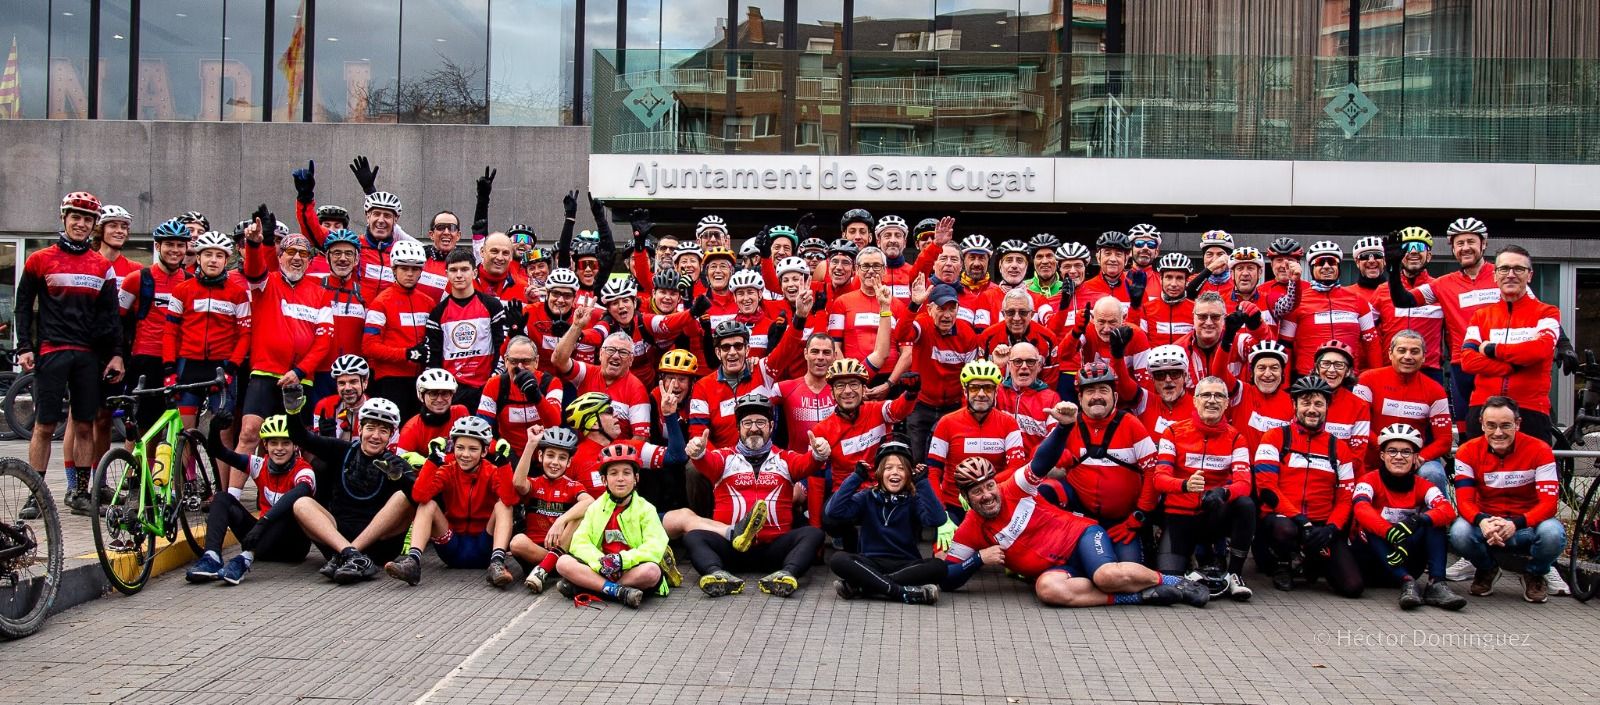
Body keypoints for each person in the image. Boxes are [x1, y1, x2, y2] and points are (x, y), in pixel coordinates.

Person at [943, 455, 1209, 608]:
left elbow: (1044, 459)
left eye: (989, 486)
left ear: (996, 483)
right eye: (977, 492)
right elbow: (950, 578)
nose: (987, 495)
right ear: (966, 497)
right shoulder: (970, 528)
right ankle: (1138, 596)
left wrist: (1063, 426)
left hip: (1081, 537)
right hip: (1057, 569)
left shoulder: (1014, 487)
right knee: (1047, 590)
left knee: (1105, 575)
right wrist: (978, 559)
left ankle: (1177, 582)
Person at [14, 191, 125, 519]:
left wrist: (116, 355)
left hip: (88, 356)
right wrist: (24, 347)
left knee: (84, 425)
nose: (80, 223)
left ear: (94, 226)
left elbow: (110, 318)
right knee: (44, 426)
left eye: (87, 219)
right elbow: (23, 307)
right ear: (64, 218)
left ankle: (79, 492)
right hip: (51, 351)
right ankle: (35, 494)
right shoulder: (40, 259)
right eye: (75, 217)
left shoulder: (101, 266)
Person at [682, 394, 829, 597]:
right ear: (738, 428)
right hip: (732, 548)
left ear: (770, 426)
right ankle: (716, 575)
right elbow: (705, 462)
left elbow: (808, 463)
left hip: (773, 549)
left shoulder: (784, 458)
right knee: (693, 536)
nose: (753, 428)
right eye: (747, 422)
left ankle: (786, 575)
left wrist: (819, 453)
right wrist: (697, 452)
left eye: (760, 422)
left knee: (814, 534)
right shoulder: (725, 458)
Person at [1028, 361, 1158, 563]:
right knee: (1046, 488)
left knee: (1128, 574)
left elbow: (1152, 472)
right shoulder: (1072, 425)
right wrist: (1061, 432)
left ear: (1115, 397)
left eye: (1103, 390)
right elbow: (1039, 460)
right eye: (1090, 391)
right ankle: (1049, 544)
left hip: (1124, 521)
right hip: (1083, 518)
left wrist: (1138, 517)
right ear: (1080, 398)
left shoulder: (1132, 424)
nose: (1096, 396)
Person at [237, 212, 334, 481]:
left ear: (310, 261)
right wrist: (255, 245)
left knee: (299, 442)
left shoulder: (320, 293)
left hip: (301, 378)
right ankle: (231, 498)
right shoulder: (266, 283)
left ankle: (292, 494)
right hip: (266, 372)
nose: (296, 258)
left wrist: (301, 371)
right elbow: (254, 269)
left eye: (303, 254)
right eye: (290, 252)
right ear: (279, 257)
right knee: (249, 432)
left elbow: (323, 340)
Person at [285, 397, 415, 584]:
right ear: (360, 430)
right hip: (338, 540)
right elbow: (302, 438)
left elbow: (422, 499)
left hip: (379, 545)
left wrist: (402, 478)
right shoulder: (341, 449)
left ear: (391, 435)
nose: (376, 436)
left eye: (383, 431)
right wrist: (292, 412)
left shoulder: (397, 464)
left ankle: (351, 555)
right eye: (370, 428)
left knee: (404, 496)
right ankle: (353, 556)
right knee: (301, 504)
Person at [1253, 375, 1361, 597]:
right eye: (1305, 402)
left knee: (1352, 586)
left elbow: (1345, 498)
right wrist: (1301, 520)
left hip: (1322, 525)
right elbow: (1267, 489)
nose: (1312, 409)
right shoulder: (1274, 437)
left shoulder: (1339, 448)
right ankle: (1283, 562)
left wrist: (1331, 528)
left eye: (1318, 403)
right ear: (1294, 405)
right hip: (1285, 522)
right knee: (1285, 528)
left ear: (1327, 407)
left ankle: (1311, 560)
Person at [1450, 396, 1563, 603]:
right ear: (1482, 424)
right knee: (1459, 532)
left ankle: (1534, 573)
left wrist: (1516, 523)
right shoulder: (1467, 451)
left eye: (1505, 425)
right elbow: (1464, 501)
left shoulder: (1540, 450)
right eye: (1491, 425)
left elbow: (1549, 504)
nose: (1498, 433)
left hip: (1527, 523)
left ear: (1517, 424)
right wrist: (1482, 521)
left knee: (1553, 533)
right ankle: (1487, 569)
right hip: (1488, 523)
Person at [1152, 376, 1255, 600]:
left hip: (1213, 514)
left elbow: (1245, 483)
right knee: (1169, 578)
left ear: (1227, 403)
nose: (1212, 401)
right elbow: (1159, 479)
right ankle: (1200, 562)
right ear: (1195, 401)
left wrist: (1223, 491)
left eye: (1219, 396)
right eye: (1206, 395)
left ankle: (1235, 574)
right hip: (1180, 516)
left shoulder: (1236, 437)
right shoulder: (1173, 432)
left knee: (1245, 505)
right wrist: (1185, 485)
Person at [186, 416, 315, 586]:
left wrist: (262, 524)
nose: (279, 449)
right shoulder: (260, 464)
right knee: (222, 498)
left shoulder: (304, 470)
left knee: (291, 504)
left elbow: (299, 493)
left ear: (295, 446)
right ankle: (212, 557)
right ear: (265, 446)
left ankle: (244, 559)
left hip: (292, 547)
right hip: (260, 541)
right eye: (274, 443)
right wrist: (214, 430)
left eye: (285, 443)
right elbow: (220, 453)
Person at [384, 416, 514, 586]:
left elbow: (510, 499)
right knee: (427, 504)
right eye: (460, 448)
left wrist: (504, 463)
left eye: (473, 449)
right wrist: (432, 460)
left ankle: (497, 563)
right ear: (453, 448)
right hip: (452, 546)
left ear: (484, 452)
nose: (465, 454)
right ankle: (412, 563)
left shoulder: (492, 471)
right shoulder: (448, 470)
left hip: (485, 547)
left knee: (504, 506)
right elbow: (419, 496)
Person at [164, 231, 252, 478]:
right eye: (208, 255)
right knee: (186, 432)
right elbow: (170, 333)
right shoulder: (182, 290)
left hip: (222, 367)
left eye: (219, 256)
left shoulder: (237, 294)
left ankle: (221, 492)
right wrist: (169, 369)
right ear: (199, 258)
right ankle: (187, 485)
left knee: (223, 434)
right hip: (188, 365)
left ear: (227, 260)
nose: (213, 260)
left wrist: (232, 368)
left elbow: (245, 335)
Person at [1351, 424, 1466, 610]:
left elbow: (1447, 510)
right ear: (1382, 456)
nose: (1398, 457)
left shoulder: (1424, 485)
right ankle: (1405, 580)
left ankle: (1436, 583)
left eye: (1406, 452)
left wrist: (1418, 520)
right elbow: (1361, 508)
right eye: (1392, 451)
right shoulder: (1368, 480)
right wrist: (1391, 533)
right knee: (1369, 524)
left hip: (1408, 558)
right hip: (1372, 562)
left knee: (1434, 522)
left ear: (1415, 458)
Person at [1459, 245, 1559, 443]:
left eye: (1518, 269)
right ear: (1495, 275)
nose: (1510, 275)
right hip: (1483, 407)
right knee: (1482, 472)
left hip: (1530, 409)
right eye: (1504, 269)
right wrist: (1510, 366)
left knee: (1531, 471)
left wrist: (1490, 349)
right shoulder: (1481, 316)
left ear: (1529, 275)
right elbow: (1468, 360)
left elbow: (1539, 351)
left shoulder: (1547, 312)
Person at [824, 442, 946, 604]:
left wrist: (922, 483)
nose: (895, 472)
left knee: (939, 566)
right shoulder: (867, 496)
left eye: (901, 468)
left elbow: (938, 519)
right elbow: (833, 511)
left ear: (909, 474)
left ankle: (864, 586)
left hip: (906, 565)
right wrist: (856, 477)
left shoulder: (914, 499)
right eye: (888, 468)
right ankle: (900, 592)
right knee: (838, 560)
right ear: (880, 473)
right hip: (870, 563)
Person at [553, 443, 671, 608]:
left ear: (636, 478)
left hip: (632, 569)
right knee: (563, 562)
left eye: (627, 473)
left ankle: (593, 587)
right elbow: (579, 542)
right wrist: (600, 563)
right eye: (614, 473)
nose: (621, 478)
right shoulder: (595, 507)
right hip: (601, 568)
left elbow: (655, 547)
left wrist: (621, 561)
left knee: (652, 571)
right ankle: (619, 592)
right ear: (604, 480)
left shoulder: (647, 509)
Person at [808, 358, 918, 535]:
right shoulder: (821, 430)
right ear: (832, 392)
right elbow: (816, 481)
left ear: (863, 389)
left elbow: (899, 409)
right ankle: (848, 539)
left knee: (914, 516)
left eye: (853, 384)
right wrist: (815, 531)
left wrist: (911, 393)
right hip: (848, 494)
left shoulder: (878, 410)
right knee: (830, 520)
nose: (848, 391)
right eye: (840, 386)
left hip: (883, 488)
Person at [1403, 217, 1497, 421]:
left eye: (1471, 241)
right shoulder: (1443, 284)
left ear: (1484, 243)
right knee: (1466, 430)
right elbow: (1405, 300)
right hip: (1461, 364)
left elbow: (1536, 310)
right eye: (1460, 243)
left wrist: (1562, 343)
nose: (1465, 248)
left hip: (1497, 362)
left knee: (1498, 428)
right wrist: (1393, 269)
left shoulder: (1502, 274)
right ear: (1453, 249)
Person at [687, 295, 810, 448]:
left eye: (738, 346)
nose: (732, 352)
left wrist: (800, 316)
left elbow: (787, 347)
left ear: (747, 350)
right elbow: (699, 435)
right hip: (723, 463)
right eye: (726, 347)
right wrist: (721, 465)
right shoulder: (702, 387)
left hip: (763, 459)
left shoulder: (762, 371)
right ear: (718, 353)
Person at [117, 218, 192, 444]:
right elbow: (117, 320)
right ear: (158, 246)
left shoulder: (191, 281)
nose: (175, 250)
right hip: (145, 358)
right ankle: (133, 477)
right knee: (141, 426)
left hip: (178, 360)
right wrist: (118, 355)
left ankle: (157, 478)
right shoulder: (137, 279)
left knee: (168, 426)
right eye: (169, 244)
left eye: (180, 245)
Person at [493, 427, 592, 593]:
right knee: (517, 542)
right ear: (540, 456)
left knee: (579, 516)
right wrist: (531, 443)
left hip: (561, 547)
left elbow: (590, 502)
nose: (555, 462)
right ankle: (556, 566)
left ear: (568, 462)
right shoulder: (535, 483)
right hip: (534, 553)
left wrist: (561, 521)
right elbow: (518, 483)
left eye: (562, 458)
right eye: (550, 455)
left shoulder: (573, 486)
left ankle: (546, 569)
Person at [893, 283, 983, 465]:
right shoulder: (922, 324)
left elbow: (971, 378)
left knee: (949, 460)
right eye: (941, 309)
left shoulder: (967, 334)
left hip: (953, 408)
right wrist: (913, 305)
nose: (947, 315)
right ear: (930, 309)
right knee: (917, 460)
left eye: (952, 308)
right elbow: (901, 334)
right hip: (921, 406)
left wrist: (967, 412)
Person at [927, 361, 1027, 523]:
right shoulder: (946, 423)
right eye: (974, 388)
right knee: (942, 550)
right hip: (954, 504)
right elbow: (933, 472)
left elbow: (1015, 468)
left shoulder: (1009, 423)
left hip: (993, 502)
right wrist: (941, 513)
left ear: (996, 392)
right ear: (965, 391)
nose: (981, 393)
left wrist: (978, 487)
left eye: (988, 388)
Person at [1355, 331, 1452, 492]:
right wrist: (1387, 452)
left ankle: (1438, 515)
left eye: (1414, 351)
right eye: (1402, 350)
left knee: (1433, 473)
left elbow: (1445, 440)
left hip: (1413, 459)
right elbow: (1358, 425)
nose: (1408, 356)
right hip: (1373, 457)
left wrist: (1417, 457)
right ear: (1390, 353)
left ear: (1424, 357)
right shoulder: (1367, 380)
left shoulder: (1436, 390)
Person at [1277, 241, 1382, 376]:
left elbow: (1371, 343)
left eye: (1331, 262)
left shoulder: (1358, 300)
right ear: (1311, 268)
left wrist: (1376, 378)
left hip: (1347, 377)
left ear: (1338, 267)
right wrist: (1285, 385)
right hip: (1309, 378)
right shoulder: (1297, 302)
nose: (1326, 267)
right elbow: (1286, 346)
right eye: (1320, 262)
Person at [423, 248, 509, 409]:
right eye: (453, 270)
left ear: (475, 272)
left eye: (464, 269)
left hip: (486, 387)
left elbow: (501, 346)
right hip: (453, 391)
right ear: (447, 274)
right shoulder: (438, 312)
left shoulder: (492, 305)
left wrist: (493, 379)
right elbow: (433, 356)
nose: (459, 275)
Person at [552, 307, 652, 438]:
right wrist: (576, 327)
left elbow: (641, 438)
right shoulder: (587, 373)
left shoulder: (637, 389)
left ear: (631, 360)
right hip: (584, 450)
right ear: (600, 354)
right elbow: (558, 360)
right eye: (610, 350)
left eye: (623, 352)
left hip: (615, 456)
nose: (616, 356)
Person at [362, 240, 435, 419]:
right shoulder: (380, 302)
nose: (410, 274)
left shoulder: (428, 302)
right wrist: (406, 354)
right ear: (394, 270)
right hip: (390, 380)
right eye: (404, 268)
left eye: (415, 269)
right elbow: (369, 347)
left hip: (420, 381)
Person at [1376, 227, 1446, 383]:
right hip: (1390, 367)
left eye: (1420, 247)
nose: (1413, 251)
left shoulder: (1440, 288)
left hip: (1429, 369)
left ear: (1429, 256)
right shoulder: (1381, 291)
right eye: (1407, 247)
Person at [476, 336, 563, 456]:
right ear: (506, 361)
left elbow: (554, 423)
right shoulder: (494, 385)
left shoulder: (551, 383)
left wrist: (537, 396)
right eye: (514, 361)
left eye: (526, 361)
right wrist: (499, 449)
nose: (520, 367)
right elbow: (481, 430)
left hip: (543, 455)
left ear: (536, 362)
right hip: (509, 454)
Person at [981, 289, 1061, 388]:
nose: (1016, 318)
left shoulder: (1047, 338)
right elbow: (981, 381)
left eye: (1023, 312)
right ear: (1003, 314)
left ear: (1031, 314)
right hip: (999, 395)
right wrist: (997, 366)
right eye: (1010, 312)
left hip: (1034, 398)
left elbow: (1050, 384)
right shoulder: (988, 337)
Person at [994, 342, 1061, 455]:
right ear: (1009, 366)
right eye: (1017, 361)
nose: (1024, 366)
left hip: (1032, 467)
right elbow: (972, 410)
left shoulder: (1051, 398)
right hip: (998, 465)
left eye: (1030, 362)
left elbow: (1055, 439)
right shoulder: (997, 391)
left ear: (1039, 366)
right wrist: (998, 367)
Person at [1311, 340, 1373, 459]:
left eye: (1339, 365)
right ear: (1317, 368)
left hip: (1343, 472)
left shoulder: (1360, 405)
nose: (1332, 370)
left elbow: (1357, 455)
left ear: (1348, 371)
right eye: (1326, 363)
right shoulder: (1301, 399)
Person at [1231, 340, 1294, 450]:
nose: (1268, 374)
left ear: (1282, 372)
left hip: (1275, 466)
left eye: (1274, 368)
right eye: (1261, 368)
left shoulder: (1292, 402)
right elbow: (1219, 372)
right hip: (1244, 465)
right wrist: (1227, 340)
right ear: (1252, 372)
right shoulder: (1242, 392)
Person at [396, 369, 470, 454]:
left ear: (452, 395)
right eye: (433, 394)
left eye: (445, 394)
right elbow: (399, 465)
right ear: (421, 395)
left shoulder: (460, 413)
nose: (439, 400)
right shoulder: (410, 429)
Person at [1077, 231, 1143, 324]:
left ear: (1126, 259)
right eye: (1107, 253)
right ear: (1098, 258)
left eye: (1118, 254)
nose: (1112, 259)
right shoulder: (1084, 288)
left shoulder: (1137, 290)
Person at [1134, 344, 1192, 435]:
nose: (1168, 380)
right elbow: (1124, 386)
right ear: (1153, 379)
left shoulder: (1199, 406)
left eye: (1174, 374)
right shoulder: (1145, 401)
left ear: (1185, 376)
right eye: (1160, 375)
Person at [311, 355, 370, 443]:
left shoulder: (377, 410)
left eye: (353, 381)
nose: (347, 388)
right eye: (342, 383)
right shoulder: (324, 406)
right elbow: (314, 451)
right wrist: (321, 439)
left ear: (365, 382)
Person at [1140, 253, 1195, 346]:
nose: (1173, 284)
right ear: (1161, 279)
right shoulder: (1147, 308)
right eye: (1169, 277)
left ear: (1187, 281)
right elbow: (1141, 344)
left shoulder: (1196, 309)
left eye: (1179, 278)